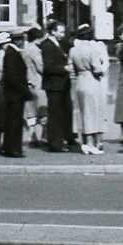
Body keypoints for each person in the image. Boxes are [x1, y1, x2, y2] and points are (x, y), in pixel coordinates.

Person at [69, 23, 109, 155]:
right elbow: (97, 69)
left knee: (82, 113)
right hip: (92, 81)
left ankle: (85, 143)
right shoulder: (93, 50)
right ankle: (92, 144)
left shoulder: (73, 50)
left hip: (80, 81)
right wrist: (101, 71)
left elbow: (71, 69)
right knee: (94, 113)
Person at [0, 29, 31, 157]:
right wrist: (22, 89)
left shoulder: (12, 52)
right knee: (14, 122)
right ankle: (13, 149)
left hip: (14, 93)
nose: (23, 42)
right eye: (21, 39)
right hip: (15, 94)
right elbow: (12, 76)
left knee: (13, 121)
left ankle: (10, 147)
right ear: (17, 40)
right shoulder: (12, 54)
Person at [40, 21, 74, 153]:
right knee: (55, 114)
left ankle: (64, 138)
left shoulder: (59, 43)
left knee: (64, 112)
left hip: (62, 84)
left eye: (63, 31)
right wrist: (65, 68)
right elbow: (48, 67)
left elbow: (70, 46)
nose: (63, 34)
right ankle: (55, 143)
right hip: (54, 84)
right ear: (53, 32)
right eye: (60, 31)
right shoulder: (48, 46)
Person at [22, 27, 46, 147]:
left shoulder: (25, 49)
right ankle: (40, 137)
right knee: (42, 111)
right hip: (38, 82)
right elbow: (41, 67)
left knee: (31, 112)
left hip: (29, 81)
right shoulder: (35, 50)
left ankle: (32, 137)